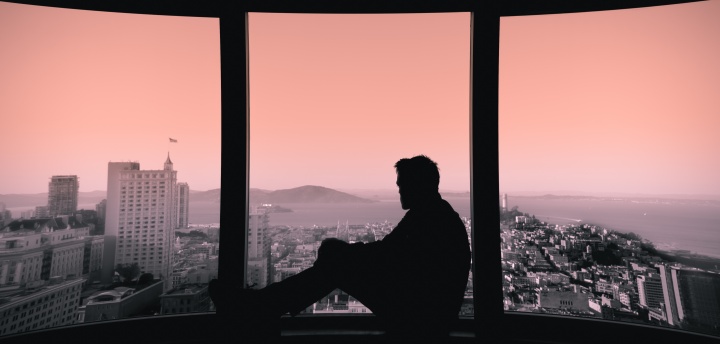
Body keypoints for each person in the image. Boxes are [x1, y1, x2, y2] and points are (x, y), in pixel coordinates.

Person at [210, 155, 471, 338]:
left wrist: (340, 251)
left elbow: (384, 255)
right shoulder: (434, 213)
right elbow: (388, 254)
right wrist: (345, 252)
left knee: (334, 264)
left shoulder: (428, 216)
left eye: (403, 186)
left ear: (419, 185)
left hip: (420, 317)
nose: (399, 192)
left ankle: (258, 307)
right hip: (427, 312)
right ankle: (262, 307)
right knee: (335, 262)